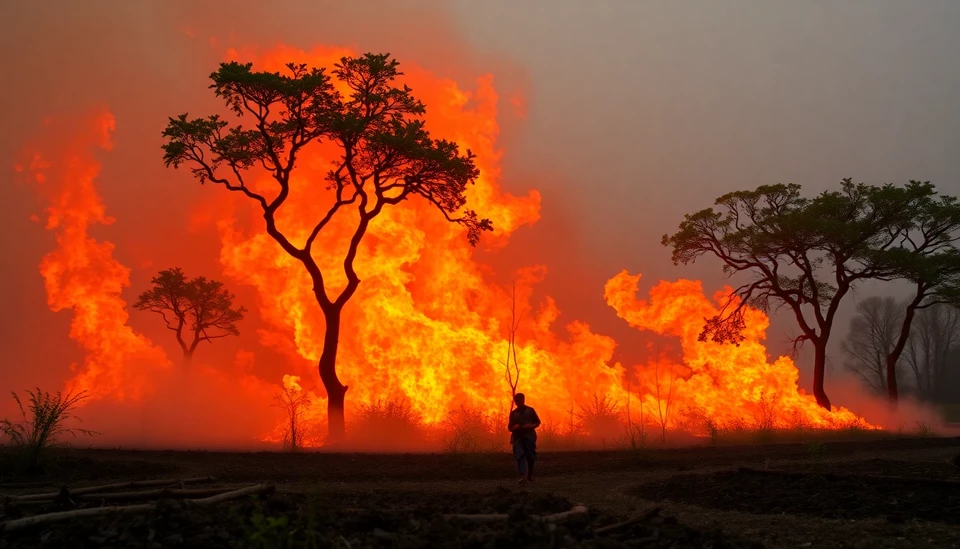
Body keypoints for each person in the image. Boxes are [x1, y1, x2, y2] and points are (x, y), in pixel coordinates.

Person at [507, 392, 541, 483]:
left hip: (529, 436)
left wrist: (530, 426)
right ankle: (522, 476)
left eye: (519, 400)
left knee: (530, 456)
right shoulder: (513, 413)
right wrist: (515, 427)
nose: (518, 402)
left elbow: (538, 422)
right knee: (519, 456)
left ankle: (529, 475)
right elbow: (509, 427)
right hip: (517, 437)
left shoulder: (530, 410)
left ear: (523, 400)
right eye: (516, 401)